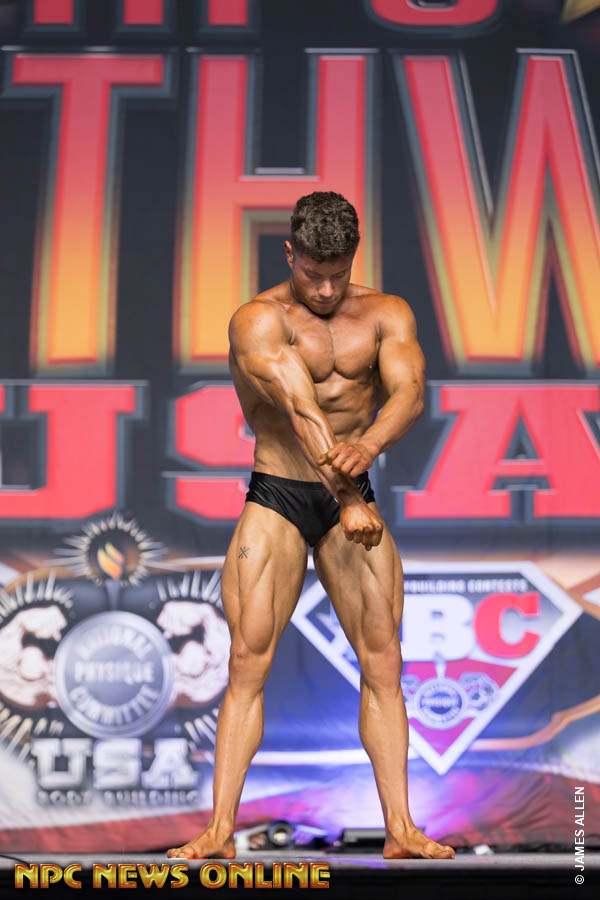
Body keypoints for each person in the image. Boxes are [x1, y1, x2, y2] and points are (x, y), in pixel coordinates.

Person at [168, 191, 455, 860]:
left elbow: (410, 393)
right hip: (280, 494)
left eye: (338, 273)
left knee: (383, 659)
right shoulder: (259, 320)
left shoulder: (386, 314)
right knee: (248, 660)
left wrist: (369, 446)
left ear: (354, 257)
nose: (325, 289)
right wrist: (348, 496)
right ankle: (219, 831)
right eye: (312, 273)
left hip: (353, 488)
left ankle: (401, 830)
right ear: (289, 253)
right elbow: (301, 410)